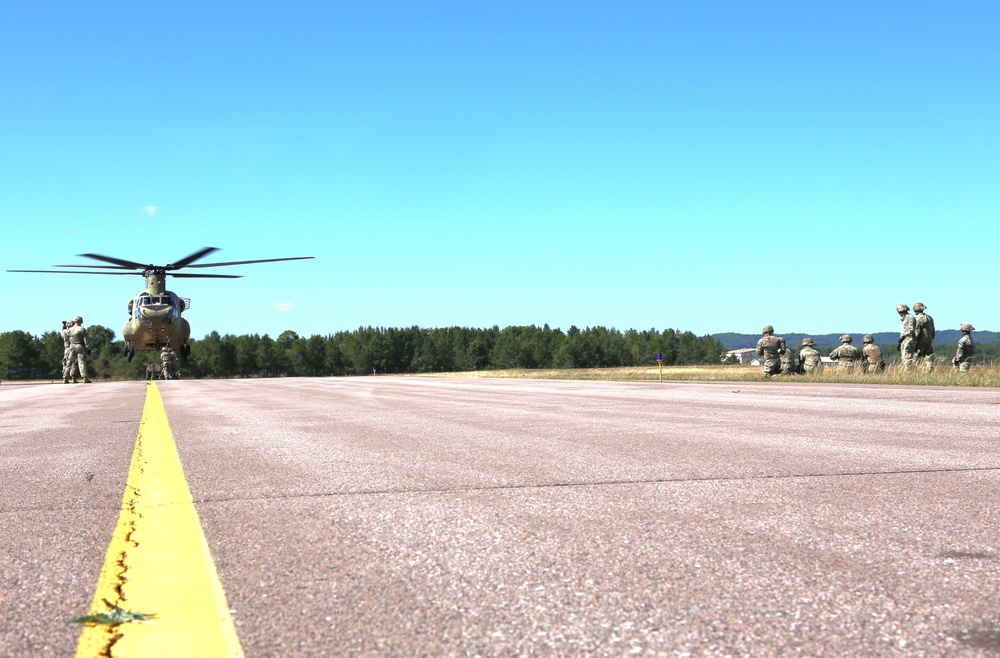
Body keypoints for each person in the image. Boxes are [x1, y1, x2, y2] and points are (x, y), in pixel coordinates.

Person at [64, 316, 91, 383]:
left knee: (69, 362)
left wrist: (67, 347)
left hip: (71, 347)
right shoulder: (82, 329)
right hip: (79, 346)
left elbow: (66, 340)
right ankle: (84, 378)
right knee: (81, 362)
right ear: (80, 321)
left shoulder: (69, 330)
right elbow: (86, 340)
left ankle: (65, 378)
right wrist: (88, 348)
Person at [913, 302, 936, 372]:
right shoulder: (930, 318)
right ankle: (929, 372)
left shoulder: (917, 319)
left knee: (915, 358)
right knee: (929, 359)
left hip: (920, 343)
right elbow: (933, 332)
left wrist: (913, 341)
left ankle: (913, 372)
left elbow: (917, 331)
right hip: (928, 342)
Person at [897, 304, 917, 370]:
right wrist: (900, 343)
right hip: (904, 340)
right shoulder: (903, 319)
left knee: (908, 357)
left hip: (909, 338)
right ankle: (907, 370)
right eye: (899, 312)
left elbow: (911, 329)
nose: (900, 313)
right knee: (904, 357)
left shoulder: (910, 317)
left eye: (901, 311)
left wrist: (903, 337)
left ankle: (910, 371)